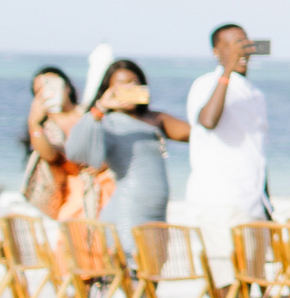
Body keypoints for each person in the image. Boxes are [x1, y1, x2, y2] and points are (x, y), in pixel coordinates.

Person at [66, 59, 190, 231]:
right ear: (108, 90)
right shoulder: (106, 122)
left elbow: (200, 135)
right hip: (128, 210)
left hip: (158, 211)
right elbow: (75, 152)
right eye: (121, 84)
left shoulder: (155, 119)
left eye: (133, 82)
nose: (129, 88)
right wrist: (100, 108)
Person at [185, 24, 270, 268]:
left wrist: (267, 205)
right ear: (216, 52)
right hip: (220, 202)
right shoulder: (206, 84)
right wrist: (227, 71)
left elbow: (257, 155)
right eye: (232, 44)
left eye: (243, 43)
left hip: (254, 204)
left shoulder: (255, 94)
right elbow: (208, 121)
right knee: (228, 281)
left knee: (252, 280)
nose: (240, 50)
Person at [22, 65, 100, 221]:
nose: (48, 90)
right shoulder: (45, 126)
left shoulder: (90, 113)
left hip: (102, 184)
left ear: (67, 87)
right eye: (40, 90)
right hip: (68, 191)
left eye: (52, 84)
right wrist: (34, 123)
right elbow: (50, 156)